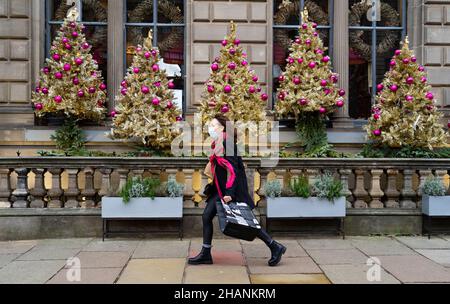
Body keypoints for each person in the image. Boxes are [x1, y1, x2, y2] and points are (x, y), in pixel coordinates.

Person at [188, 114, 286, 267]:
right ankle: (206, 253)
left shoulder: (228, 143)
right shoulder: (219, 143)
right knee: (207, 216)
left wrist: (229, 193)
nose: (210, 128)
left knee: (248, 223)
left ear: (222, 128)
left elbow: (233, 170)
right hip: (219, 190)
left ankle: (275, 246)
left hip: (230, 190)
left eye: (213, 125)